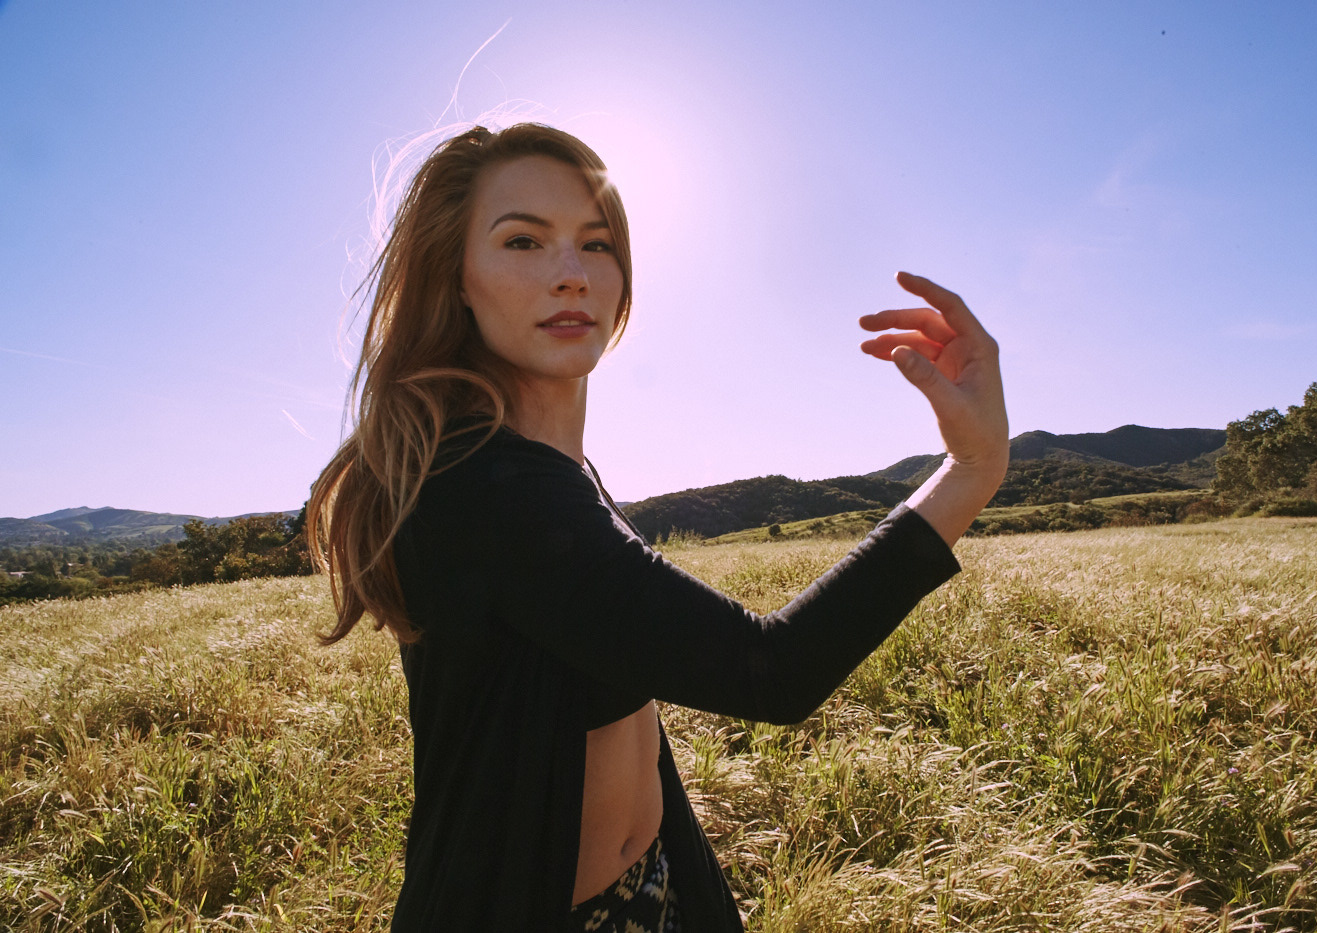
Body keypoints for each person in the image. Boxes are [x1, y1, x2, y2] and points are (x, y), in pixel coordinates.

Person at [307, 122, 1009, 932]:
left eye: (595, 245)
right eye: (524, 241)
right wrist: (972, 469)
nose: (570, 274)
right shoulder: (482, 485)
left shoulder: (552, 473)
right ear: (457, 278)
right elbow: (770, 668)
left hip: (650, 891)